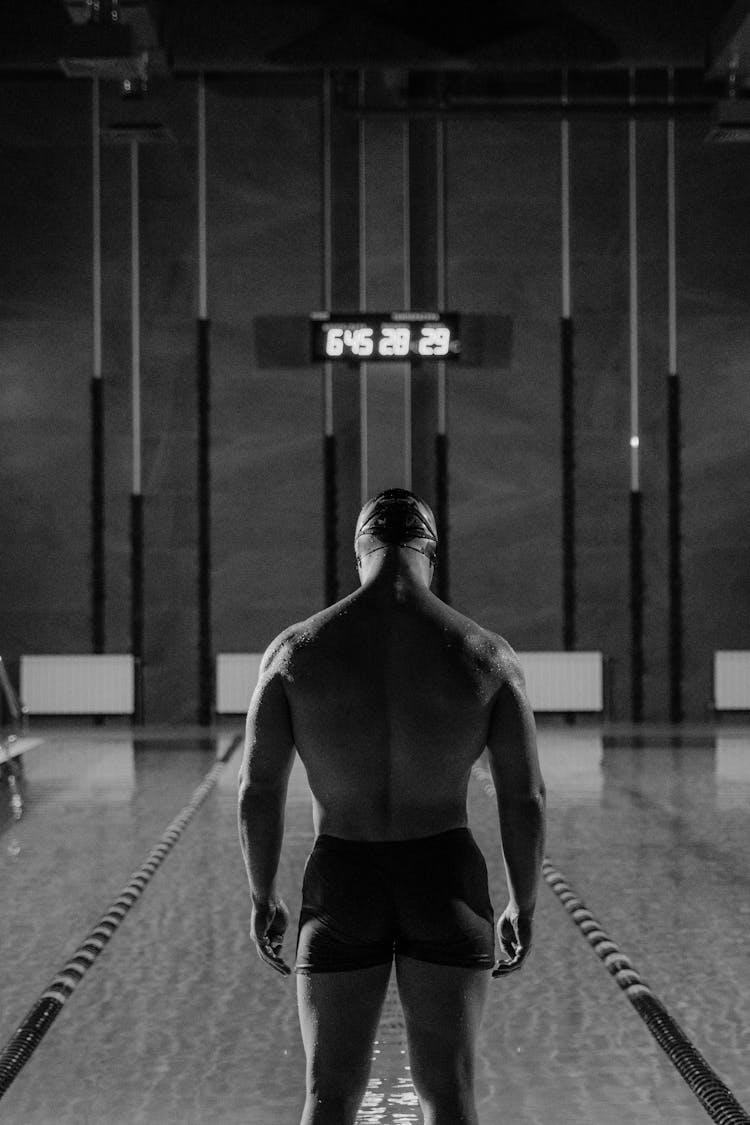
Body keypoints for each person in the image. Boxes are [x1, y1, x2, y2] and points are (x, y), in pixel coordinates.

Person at [238, 488, 546, 1125]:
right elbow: (524, 798)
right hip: (445, 879)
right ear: (429, 552)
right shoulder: (486, 655)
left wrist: (261, 892)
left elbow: (258, 790)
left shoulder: (296, 652)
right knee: (450, 1097)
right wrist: (525, 901)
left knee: (329, 1096)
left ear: (361, 553)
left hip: (344, 877)